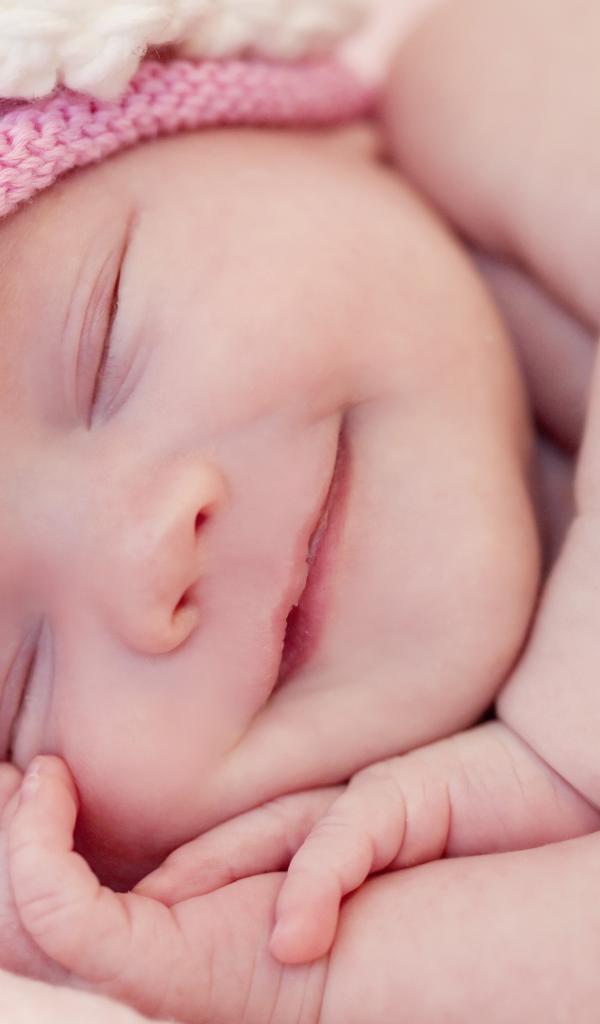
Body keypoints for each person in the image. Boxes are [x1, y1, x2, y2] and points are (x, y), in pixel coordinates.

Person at [0, 0, 539, 1018]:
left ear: (267, 119)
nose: (150, 553)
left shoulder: (490, 85)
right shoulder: (402, 860)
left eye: (102, 344)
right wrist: (281, 974)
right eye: (22, 679)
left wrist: (547, 757)